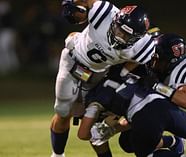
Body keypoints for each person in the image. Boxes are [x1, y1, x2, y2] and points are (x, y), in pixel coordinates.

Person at [50, 0, 155, 156]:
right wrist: (74, 5)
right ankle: (57, 155)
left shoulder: (143, 47)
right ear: (115, 20)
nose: (120, 36)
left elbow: (137, 61)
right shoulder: (104, 12)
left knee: (96, 121)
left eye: (126, 35)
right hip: (73, 61)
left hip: (98, 75)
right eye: (120, 30)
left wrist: (120, 74)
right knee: (63, 110)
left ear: (138, 38)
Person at [78, 64, 186, 157]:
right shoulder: (122, 69)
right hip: (165, 105)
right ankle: (179, 144)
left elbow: (84, 134)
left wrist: (109, 128)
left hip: (143, 117)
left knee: (145, 154)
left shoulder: (96, 96)